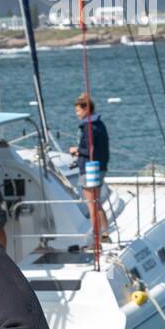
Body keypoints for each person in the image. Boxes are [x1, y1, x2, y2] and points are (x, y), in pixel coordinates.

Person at [69, 95, 110, 240]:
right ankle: (105, 232)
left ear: (86, 109)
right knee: (97, 203)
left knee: (92, 205)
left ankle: (96, 237)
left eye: (78, 111)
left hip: (89, 169)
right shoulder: (99, 123)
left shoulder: (88, 127)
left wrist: (77, 150)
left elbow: (89, 150)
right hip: (100, 166)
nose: (77, 114)